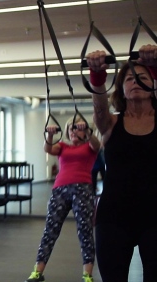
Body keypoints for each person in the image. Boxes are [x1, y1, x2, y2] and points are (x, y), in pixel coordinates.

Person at [86, 44, 157, 282]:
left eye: (142, 77)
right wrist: (97, 76)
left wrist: (155, 64)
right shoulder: (111, 124)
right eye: (129, 79)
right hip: (113, 217)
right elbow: (99, 108)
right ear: (122, 89)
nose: (135, 81)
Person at [24, 117, 100, 282]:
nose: (73, 131)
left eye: (77, 128)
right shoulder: (63, 147)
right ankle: (37, 271)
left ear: (84, 131)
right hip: (60, 190)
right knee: (50, 231)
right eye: (71, 128)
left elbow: (97, 144)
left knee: (85, 232)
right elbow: (48, 148)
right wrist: (50, 135)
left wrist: (87, 129)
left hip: (83, 190)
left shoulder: (90, 146)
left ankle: (87, 275)